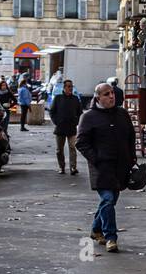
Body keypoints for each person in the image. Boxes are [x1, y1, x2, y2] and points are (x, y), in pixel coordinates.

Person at [76, 81, 137, 252]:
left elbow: (130, 137)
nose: (111, 96)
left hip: (121, 167)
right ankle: (111, 237)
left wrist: (132, 158)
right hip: (101, 168)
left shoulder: (122, 114)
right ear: (97, 98)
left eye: (112, 93)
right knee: (108, 200)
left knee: (108, 202)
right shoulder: (88, 117)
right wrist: (96, 159)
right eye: (106, 94)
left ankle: (96, 230)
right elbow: (81, 143)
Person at [49, 78, 82, 175]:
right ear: (64, 88)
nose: (70, 88)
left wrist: (76, 121)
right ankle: (61, 167)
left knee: (72, 147)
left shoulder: (75, 99)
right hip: (60, 127)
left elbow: (80, 112)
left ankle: (73, 167)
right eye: (68, 86)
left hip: (71, 127)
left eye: (71, 86)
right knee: (59, 149)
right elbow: (52, 111)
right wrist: (56, 121)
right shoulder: (58, 98)